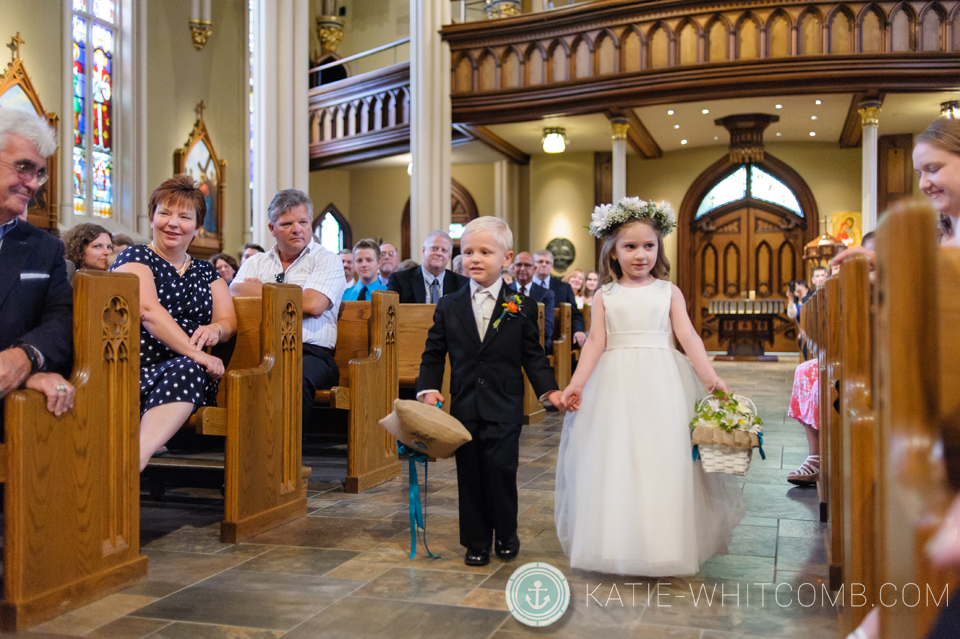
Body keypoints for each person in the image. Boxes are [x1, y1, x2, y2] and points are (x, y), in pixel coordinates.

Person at [555, 199, 744, 575]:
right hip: (614, 384)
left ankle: (665, 546)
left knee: (663, 459)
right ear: (612, 251)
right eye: (630, 247)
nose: (640, 254)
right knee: (616, 460)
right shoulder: (605, 295)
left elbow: (687, 336)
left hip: (662, 381)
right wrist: (576, 385)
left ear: (659, 249)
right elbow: (595, 342)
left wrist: (711, 379)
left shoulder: (668, 292)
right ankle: (614, 544)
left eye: (648, 246)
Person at [417, 217, 562, 567]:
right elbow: (434, 353)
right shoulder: (449, 305)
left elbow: (533, 356)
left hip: (505, 404)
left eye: (485, 251)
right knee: (469, 475)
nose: (475, 259)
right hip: (465, 404)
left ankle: (507, 532)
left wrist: (549, 391)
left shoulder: (521, 306)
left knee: (500, 471)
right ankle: (476, 540)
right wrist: (428, 388)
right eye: (468, 252)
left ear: (506, 258)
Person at [111, 176, 238, 471]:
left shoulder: (206, 271)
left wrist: (215, 330)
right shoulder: (136, 256)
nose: (173, 223)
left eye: (184, 216)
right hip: (135, 371)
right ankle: (134, 464)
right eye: (165, 213)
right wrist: (197, 353)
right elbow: (147, 311)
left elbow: (228, 319)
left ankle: (131, 463)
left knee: (189, 369)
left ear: (196, 226)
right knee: (190, 366)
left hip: (190, 377)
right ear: (152, 217)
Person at [231, 190, 346, 431]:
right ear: (272, 229)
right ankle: (237, 449)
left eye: (303, 222)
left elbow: (314, 303)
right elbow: (235, 294)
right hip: (260, 347)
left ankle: (285, 456)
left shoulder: (327, 260)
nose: (297, 229)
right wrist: (294, 295)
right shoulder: (255, 262)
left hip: (311, 354)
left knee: (291, 375)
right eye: (287, 223)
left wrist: (262, 290)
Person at [0, 107, 75, 419]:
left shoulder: (45, 249)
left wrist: (27, 358)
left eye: (39, 173)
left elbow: (63, 319)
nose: (33, 185)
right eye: (23, 167)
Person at [388, 230, 469, 303]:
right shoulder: (400, 280)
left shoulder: (462, 284)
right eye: (434, 248)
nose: (439, 253)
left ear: (449, 257)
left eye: (444, 250)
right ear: (423, 251)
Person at [533, 249, 587, 346]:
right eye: (540, 261)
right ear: (533, 265)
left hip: (557, 341)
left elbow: (575, 314)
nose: (544, 264)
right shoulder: (525, 286)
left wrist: (579, 330)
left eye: (547, 262)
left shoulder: (564, 287)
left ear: (552, 266)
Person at [509, 251, 555, 351]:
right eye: (518, 265)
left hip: (537, 343)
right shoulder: (504, 291)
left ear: (534, 269)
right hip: (509, 345)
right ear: (513, 268)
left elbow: (547, 328)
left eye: (527, 265)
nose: (522, 269)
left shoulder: (546, 294)